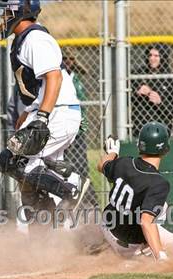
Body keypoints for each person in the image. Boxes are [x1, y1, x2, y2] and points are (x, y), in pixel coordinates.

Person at [0, 0, 89, 228]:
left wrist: (42, 117)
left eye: (7, 11)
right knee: (18, 167)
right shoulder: (23, 40)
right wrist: (29, 112)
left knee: (17, 162)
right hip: (48, 110)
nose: (2, 16)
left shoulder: (36, 39)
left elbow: (53, 78)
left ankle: (71, 185)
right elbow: (40, 87)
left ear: (22, 12)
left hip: (58, 112)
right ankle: (50, 227)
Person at [97, 122, 173, 260]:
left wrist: (112, 152)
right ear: (166, 149)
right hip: (128, 245)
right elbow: (146, 222)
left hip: (106, 227)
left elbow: (101, 165)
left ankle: (110, 247)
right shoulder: (159, 183)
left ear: (139, 145)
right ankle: (140, 254)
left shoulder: (124, 163)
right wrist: (161, 257)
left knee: (150, 205)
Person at [62, 47, 98, 208]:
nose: (68, 62)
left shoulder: (76, 80)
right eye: (65, 59)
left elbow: (83, 107)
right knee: (64, 166)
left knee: (81, 166)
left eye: (71, 59)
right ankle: (69, 201)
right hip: (62, 129)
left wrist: (81, 127)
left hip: (77, 130)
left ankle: (90, 202)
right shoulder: (60, 77)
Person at [131, 44, 173, 137]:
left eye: (156, 56)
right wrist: (136, 93)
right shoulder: (138, 74)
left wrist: (160, 102)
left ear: (163, 57)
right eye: (150, 55)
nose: (152, 58)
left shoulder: (170, 78)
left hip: (161, 127)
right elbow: (124, 100)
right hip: (140, 125)